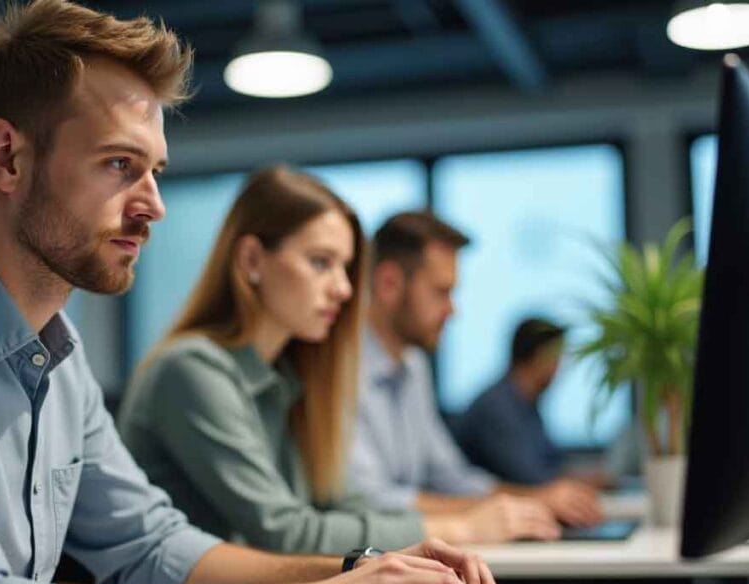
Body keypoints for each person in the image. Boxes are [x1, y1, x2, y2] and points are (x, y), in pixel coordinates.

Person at [0, 2, 496, 584]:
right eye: (118, 165)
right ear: (7, 157)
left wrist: (360, 570)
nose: (153, 205)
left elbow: (152, 545)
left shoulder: (58, 357)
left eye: (155, 171)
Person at [119, 165, 484, 553]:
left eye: (346, 268)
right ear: (252, 260)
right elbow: (285, 532)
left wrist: (455, 525)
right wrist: (455, 529)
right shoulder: (191, 371)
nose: (344, 289)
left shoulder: (286, 377)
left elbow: (341, 499)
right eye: (321, 262)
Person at [348, 212, 603, 538]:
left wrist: (529, 501)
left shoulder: (413, 366)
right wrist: (504, 508)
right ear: (389, 284)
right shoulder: (343, 371)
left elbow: (451, 477)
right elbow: (373, 501)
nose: (452, 310)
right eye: (441, 292)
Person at [455, 318, 577, 485]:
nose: (560, 367)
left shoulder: (527, 404)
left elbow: (553, 462)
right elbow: (528, 479)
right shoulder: (498, 406)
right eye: (558, 358)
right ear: (540, 356)